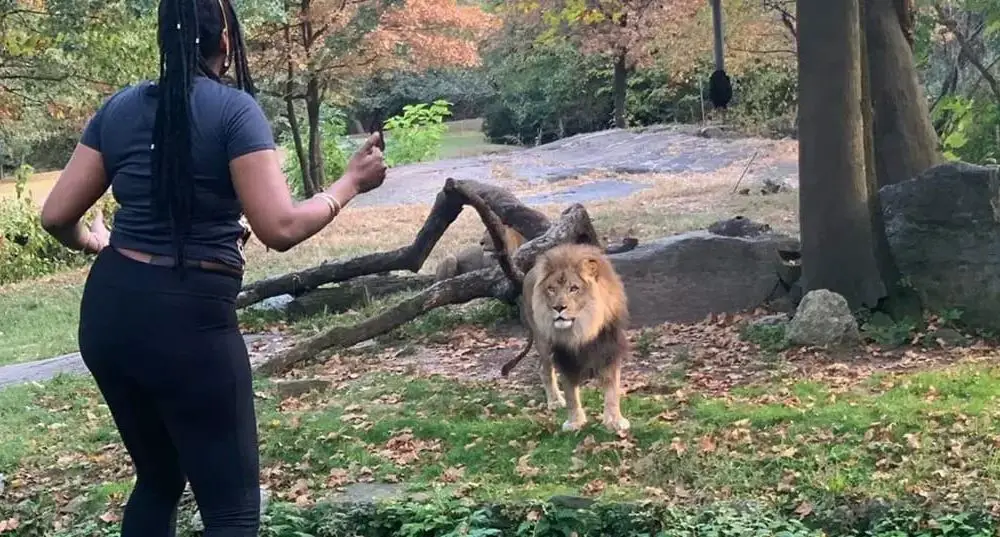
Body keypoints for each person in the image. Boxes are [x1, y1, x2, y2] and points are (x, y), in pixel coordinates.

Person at [38, 0, 387, 535]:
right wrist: (349, 185)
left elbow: (57, 215)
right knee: (231, 508)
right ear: (225, 40)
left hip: (110, 315)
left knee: (157, 478)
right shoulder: (232, 110)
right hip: (188, 325)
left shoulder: (120, 109)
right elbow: (281, 228)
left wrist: (95, 241)